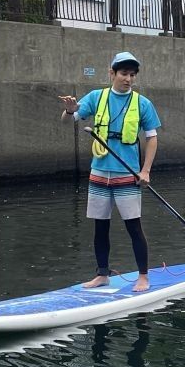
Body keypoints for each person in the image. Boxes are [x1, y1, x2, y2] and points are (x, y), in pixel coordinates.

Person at [59, 52, 162, 292]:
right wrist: (70, 111)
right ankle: (102, 274)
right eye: (124, 74)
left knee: (133, 226)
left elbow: (152, 138)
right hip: (99, 173)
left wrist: (145, 171)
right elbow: (67, 121)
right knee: (100, 226)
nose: (128, 79)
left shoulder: (142, 103)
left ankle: (143, 276)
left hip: (128, 175)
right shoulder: (96, 97)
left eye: (132, 75)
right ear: (112, 73)